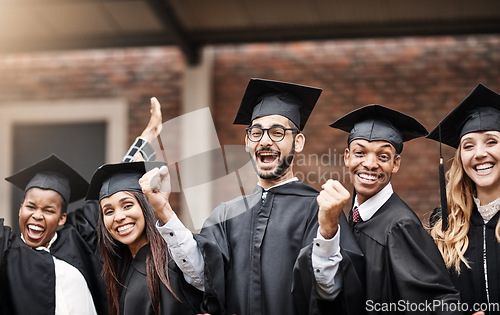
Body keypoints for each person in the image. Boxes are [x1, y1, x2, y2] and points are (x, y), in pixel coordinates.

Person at [139, 78, 365, 315]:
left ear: (297, 142)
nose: (265, 140)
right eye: (256, 133)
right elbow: (203, 278)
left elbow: (330, 293)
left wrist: (328, 231)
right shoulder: (226, 214)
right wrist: (163, 211)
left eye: (277, 132)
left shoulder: (318, 211)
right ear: (247, 142)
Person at [0, 97, 164, 315]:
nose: (37, 215)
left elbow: (114, 192)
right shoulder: (8, 250)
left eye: (49, 210)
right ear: (20, 209)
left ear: (62, 218)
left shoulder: (76, 236)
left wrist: (147, 137)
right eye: (31, 207)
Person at [329, 104, 463, 314]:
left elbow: (435, 300)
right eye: (360, 153)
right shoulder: (356, 214)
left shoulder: (400, 225)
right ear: (347, 157)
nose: (370, 164)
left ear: (395, 163)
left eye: (383, 156)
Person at [427, 83, 500, 315]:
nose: (479, 153)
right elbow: (431, 296)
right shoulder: (444, 223)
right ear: (460, 157)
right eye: (468, 145)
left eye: (491, 141)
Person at [86, 161, 195, 315]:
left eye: (128, 205)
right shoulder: (119, 269)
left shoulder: (171, 266)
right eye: (109, 211)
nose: (119, 217)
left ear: (146, 206)